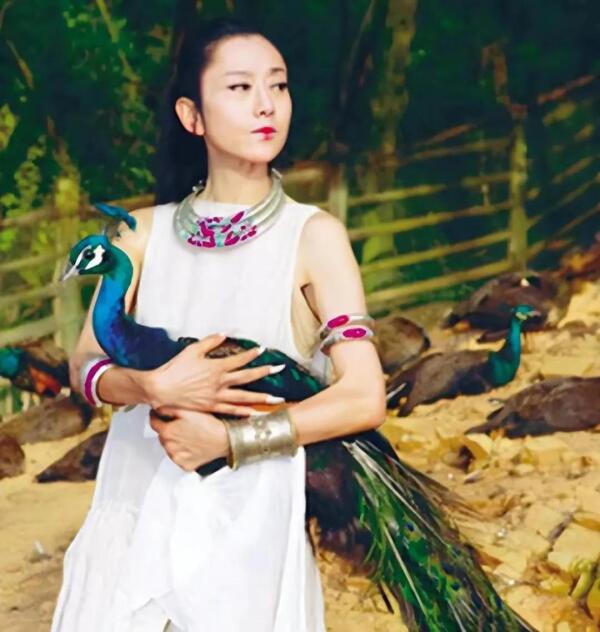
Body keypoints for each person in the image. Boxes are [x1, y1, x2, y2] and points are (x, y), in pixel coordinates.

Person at [50, 16, 385, 632]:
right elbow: (84, 364)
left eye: (278, 85)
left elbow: (364, 397)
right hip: (135, 509)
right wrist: (151, 386)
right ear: (192, 115)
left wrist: (233, 442)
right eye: (240, 88)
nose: (266, 105)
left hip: (248, 528)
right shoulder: (139, 234)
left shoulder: (314, 236)